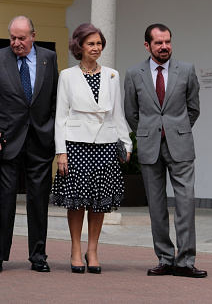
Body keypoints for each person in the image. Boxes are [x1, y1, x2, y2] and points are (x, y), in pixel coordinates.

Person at [124, 23, 206, 278]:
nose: (164, 47)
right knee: (156, 207)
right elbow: (131, 112)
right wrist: (148, 132)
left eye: (167, 41)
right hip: (150, 146)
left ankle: (185, 261)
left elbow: (194, 108)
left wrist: (177, 129)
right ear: (147, 45)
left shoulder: (187, 70)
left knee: (185, 203)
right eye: (159, 43)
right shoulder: (134, 73)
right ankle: (165, 258)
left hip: (180, 145)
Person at [51, 23, 132, 274]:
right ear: (79, 47)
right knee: (76, 201)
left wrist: (126, 142)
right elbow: (60, 116)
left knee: (100, 202)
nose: (96, 48)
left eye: (99, 43)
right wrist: (61, 151)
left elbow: (118, 111)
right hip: (76, 145)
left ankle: (93, 250)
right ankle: (76, 249)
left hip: (105, 145)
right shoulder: (67, 75)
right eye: (91, 44)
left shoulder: (112, 75)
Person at [0, 15, 59, 272]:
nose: (16, 43)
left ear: (33, 37)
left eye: (21, 38)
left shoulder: (49, 57)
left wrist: (54, 131)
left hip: (40, 140)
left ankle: (38, 256)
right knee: (6, 200)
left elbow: (55, 98)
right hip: (7, 140)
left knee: (38, 201)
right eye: (12, 38)